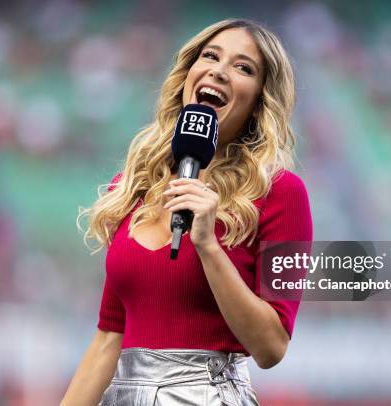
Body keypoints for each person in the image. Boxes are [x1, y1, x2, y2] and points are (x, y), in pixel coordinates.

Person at [61, 18, 313, 406]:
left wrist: (208, 245)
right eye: (210, 56)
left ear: (261, 98)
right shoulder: (132, 186)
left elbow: (271, 347)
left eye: (243, 67)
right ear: (188, 74)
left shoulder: (282, 193)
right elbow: (109, 337)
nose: (219, 70)